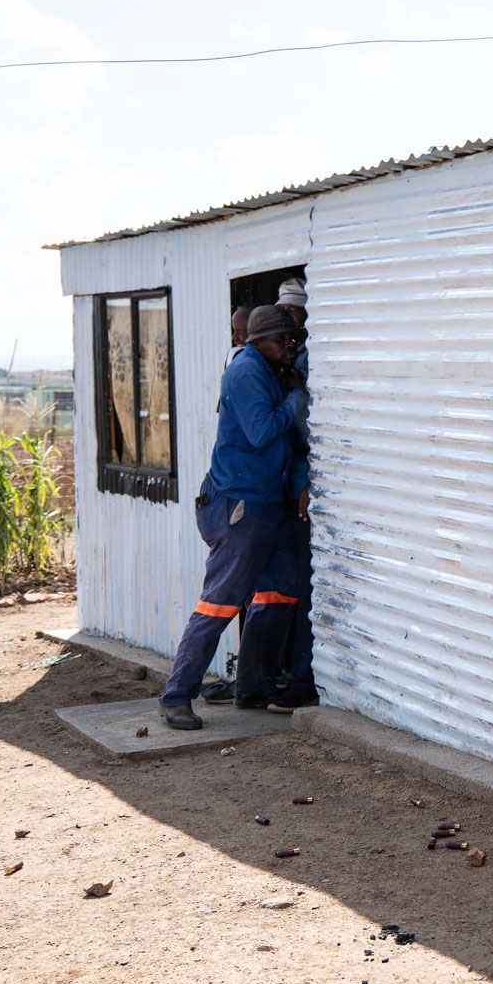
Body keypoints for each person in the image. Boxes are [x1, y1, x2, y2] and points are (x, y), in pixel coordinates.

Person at [156, 305, 309, 730]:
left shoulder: (272, 369)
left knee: (280, 592)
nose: (290, 346)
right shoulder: (246, 372)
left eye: (292, 339)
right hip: (238, 506)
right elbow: (262, 432)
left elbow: (291, 445)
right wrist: (297, 400)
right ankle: (176, 696)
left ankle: (253, 687)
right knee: (221, 600)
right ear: (257, 341)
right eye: (282, 340)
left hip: (267, 503)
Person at [268, 276, 317, 713]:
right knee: (290, 586)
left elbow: (309, 434)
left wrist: (305, 480)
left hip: (304, 487)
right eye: (282, 311)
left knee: (306, 586)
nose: (288, 318)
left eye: (294, 311)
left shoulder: (308, 359)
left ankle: (304, 678)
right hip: (287, 487)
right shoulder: (276, 365)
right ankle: (286, 674)